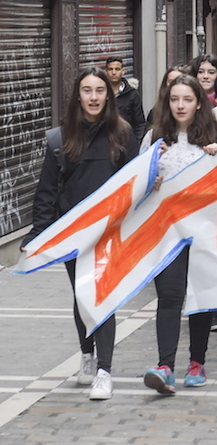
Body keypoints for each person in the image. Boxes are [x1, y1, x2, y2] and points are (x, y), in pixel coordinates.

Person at [22, 67, 140, 400]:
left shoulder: (123, 133)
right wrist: (38, 234)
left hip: (109, 232)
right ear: (78, 95)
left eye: (99, 90)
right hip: (72, 232)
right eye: (87, 91)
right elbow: (47, 190)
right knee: (81, 295)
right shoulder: (61, 138)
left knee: (101, 296)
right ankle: (86, 355)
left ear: (109, 94)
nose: (93, 97)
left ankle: (104, 370)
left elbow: (135, 185)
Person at [140, 75, 217, 395]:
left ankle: (197, 362)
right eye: (174, 99)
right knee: (170, 297)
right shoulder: (154, 139)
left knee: (201, 298)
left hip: (203, 233)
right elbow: (138, 187)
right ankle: (165, 365)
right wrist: (151, 181)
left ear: (199, 103)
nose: (180, 105)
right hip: (167, 234)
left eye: (187, 99)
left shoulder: (215, 138)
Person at [104, 56, 146, 141]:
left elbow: (139, 124)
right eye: (110, 69)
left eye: (117, 69)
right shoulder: (101, 93)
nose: (114, 72)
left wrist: (136, 143)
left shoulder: (133, 95)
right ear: (106, 72)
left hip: (127, 142)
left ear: (123, 71)